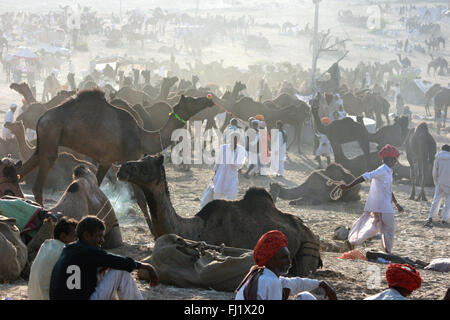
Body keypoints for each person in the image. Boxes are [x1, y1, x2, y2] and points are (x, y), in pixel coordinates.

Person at [49, 216, 159, 300]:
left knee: (104, 269)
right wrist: (147, 267)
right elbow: (120, 262)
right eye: (99, 236)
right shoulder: (89, 251)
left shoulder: (68, 249)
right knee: (119, 271)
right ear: (86, 235)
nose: (102, 240)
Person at [235, 230, 337, 300]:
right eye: (283, 258)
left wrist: (321, 284)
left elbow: (295, 283)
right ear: (271, 261)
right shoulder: (272, 281)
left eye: (288, 257)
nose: (289, 261)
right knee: (305, 297)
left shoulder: (259, 273)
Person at [340, 144, 404, 254]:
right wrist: (349, 186)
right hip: (383, 207)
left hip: (381, 206)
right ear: (388, 159)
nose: (396, 162)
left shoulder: (388, 171)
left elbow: (388, 189)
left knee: (374, 228)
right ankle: (387, 251)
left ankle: (353, 242)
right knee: (388, 229)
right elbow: (365, 176)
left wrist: (396, 203)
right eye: (394, 159)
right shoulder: (382, 170)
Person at [28, 217, 78, 300]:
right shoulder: (66, 252)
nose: (77, 241)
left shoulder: (46, 245)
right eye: (75, 237)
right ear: (63, 236)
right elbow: (74, 287)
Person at [212, 131, 247, 201]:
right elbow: (218, 161)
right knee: (218, 192)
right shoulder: (223, 148)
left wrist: (232, 162)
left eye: (235, 139)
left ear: (238, 140)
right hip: (221, 173)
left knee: (231, 193)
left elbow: (240, 165)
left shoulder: (241, 150)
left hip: (232, 174)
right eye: (232, 138)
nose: (233, 140)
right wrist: (215, 174)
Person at [424, 144, 450, 227]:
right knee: (448, 202)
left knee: (436, 200)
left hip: (440, 182)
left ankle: (432, 217)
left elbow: (434, 173)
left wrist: (436, 182)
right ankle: (445, 219)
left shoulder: (437, 158)